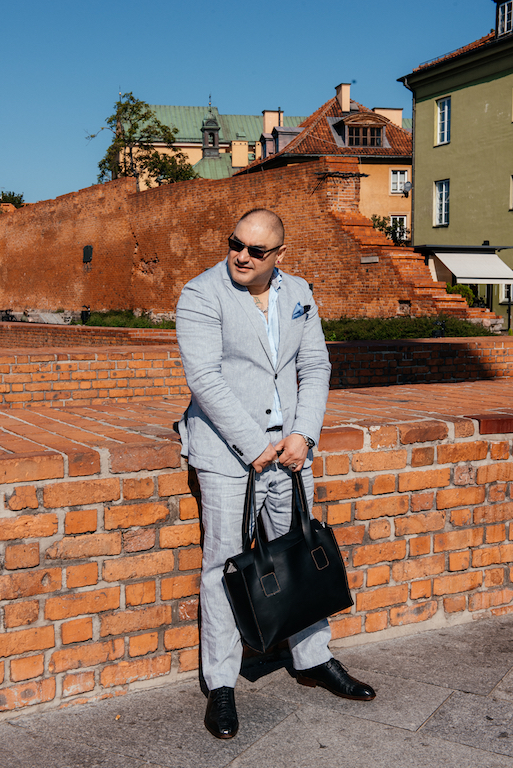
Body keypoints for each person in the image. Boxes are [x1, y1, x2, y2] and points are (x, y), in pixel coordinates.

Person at [176, 209, 375, 739]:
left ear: (279, 255)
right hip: (227, 454)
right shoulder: (201, 294)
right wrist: (254, 446)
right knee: (224, 564)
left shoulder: (300, 292)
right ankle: (221, 683)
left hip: (289, 453)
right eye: (235, 244)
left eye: (256, 251)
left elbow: (316, 366)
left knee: (299, 552)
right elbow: (205, 379)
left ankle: (313, 658)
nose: (241, 256)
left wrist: (304, 434)